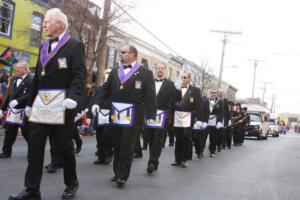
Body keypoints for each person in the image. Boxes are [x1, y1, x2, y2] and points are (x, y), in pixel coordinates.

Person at [9, 8, 87, 200]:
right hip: (41, 105)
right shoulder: (43, 46)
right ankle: (32, 189)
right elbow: (37, 78)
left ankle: (71, 183)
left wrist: (74, 96)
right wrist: (30, 101)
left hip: (62, 104)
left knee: (64, 147)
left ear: (59, 24)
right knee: (34, 147)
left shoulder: (75, 45)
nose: (43, 25)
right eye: (43, 22)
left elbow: (79, 73)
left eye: (47, 21)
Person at [92, 45, 156, 187]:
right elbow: (106, 89)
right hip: (116, 113)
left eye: (123, 52)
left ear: (132, 54)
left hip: (134, 115)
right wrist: (97, 102)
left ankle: (123, 175)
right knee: (117, 143)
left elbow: (150, 96)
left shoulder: (145, 73)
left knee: (127, 145)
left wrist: (151, 115)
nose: (120, 54)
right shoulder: (115, 71)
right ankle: (117, 172)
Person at [144, 62, 176, 173]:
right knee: (150, 139)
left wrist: (179, 89)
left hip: (162, 116)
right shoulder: (149, 82)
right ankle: (154, 161)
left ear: (165, 70)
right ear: (155, 69)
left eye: (162, 68)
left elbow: (177, 98)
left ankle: (152, 162)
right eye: (158, 68)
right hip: (150, 114)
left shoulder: (170, 84)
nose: (160, 70)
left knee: (158, 140)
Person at [0, 61, 33, 158]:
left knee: (27, 133)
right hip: (13, 111)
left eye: (19, 68)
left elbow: (31, 94)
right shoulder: (14, 80)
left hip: (25, 110)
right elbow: (9, 95)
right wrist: (2, 108)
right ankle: (6, 152)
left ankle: (32, 153)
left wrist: (18, 100)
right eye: (16, 68)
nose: (17, 70)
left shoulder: (31, 80)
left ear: (25, 69)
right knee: (9, 132)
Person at [171, 71, 202, 167]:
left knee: (186, 137)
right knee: (178, 138)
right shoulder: (176, 89)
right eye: (182, 77)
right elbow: (172, 102)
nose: (183, 79)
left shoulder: (195, 90)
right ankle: (177, 159)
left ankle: (184, 159)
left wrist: (199, 119)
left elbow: (198, 105)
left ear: (189, 79)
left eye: (185, 77)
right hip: (177, 117)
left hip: (189, 117)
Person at [206, 89, 224, 157]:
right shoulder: (206, 100)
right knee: (202, 137)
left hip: (215, 122)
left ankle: (212, 151)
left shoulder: (220, 101)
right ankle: (200, 151)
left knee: (213, 137)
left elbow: (221, 112)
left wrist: (219, 121)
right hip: (206, 121)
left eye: (214, 92)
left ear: (216, 93)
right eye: (211, 92)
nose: (213, 94)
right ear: (210, 93)